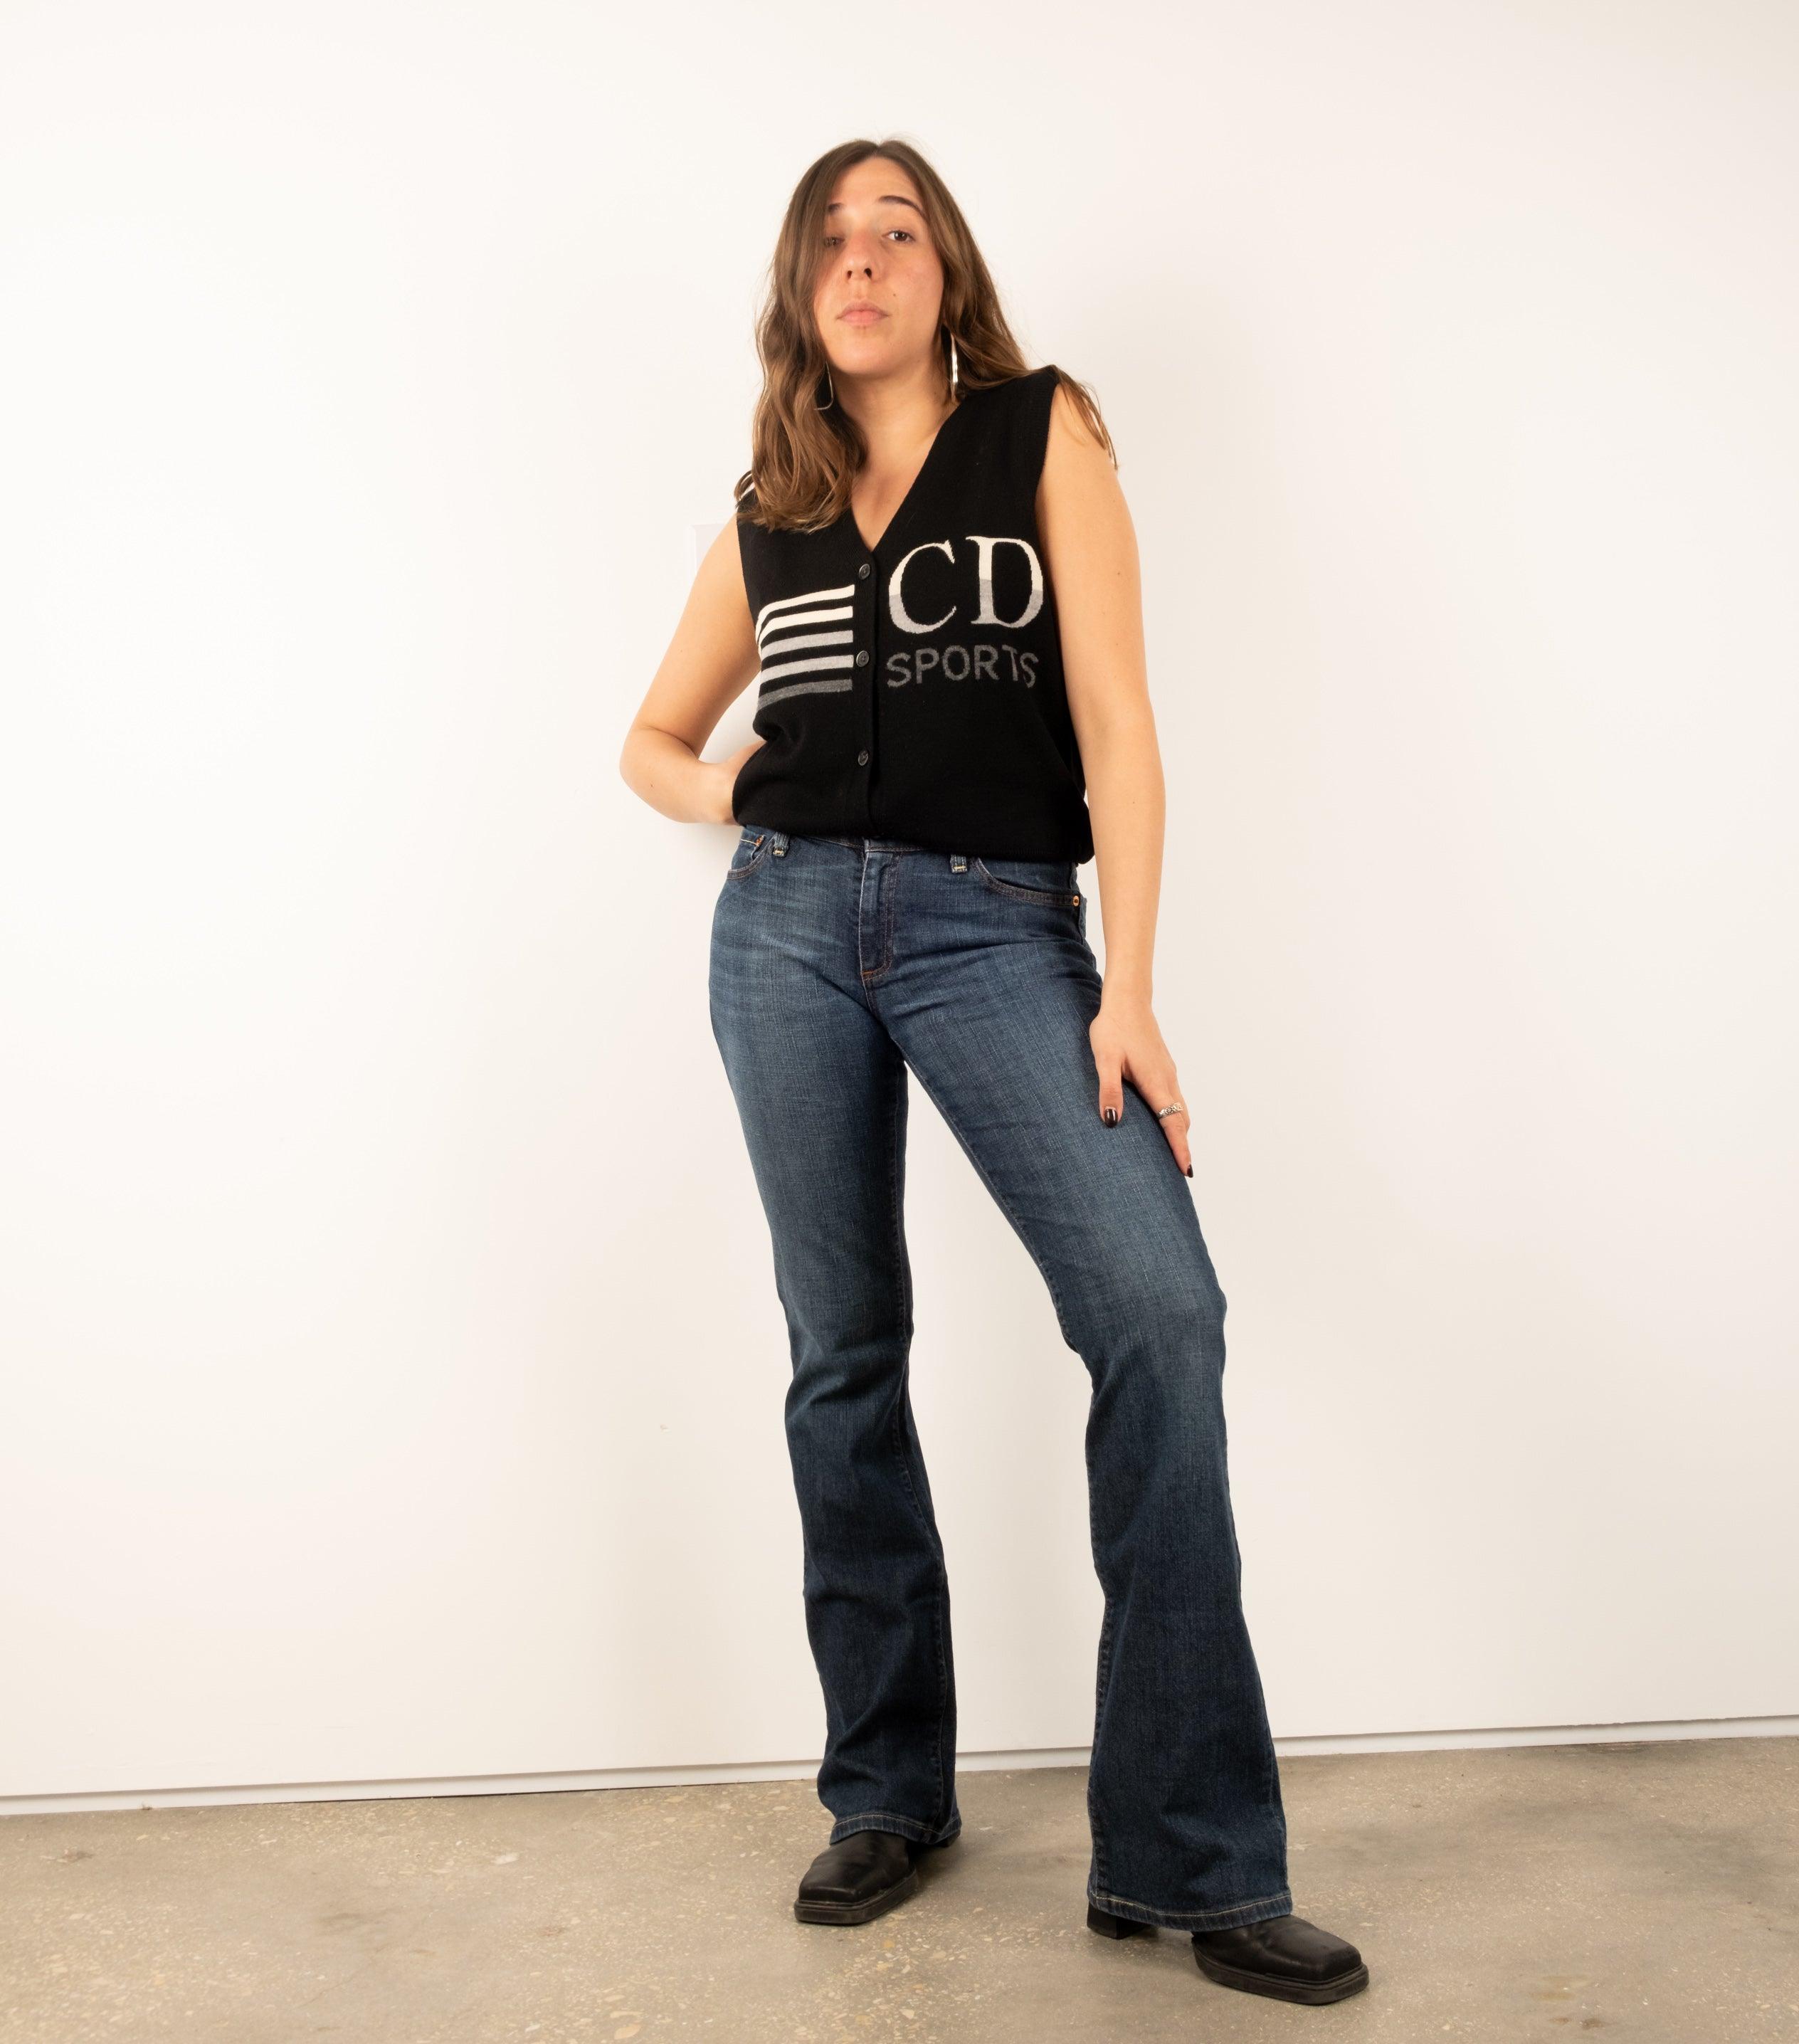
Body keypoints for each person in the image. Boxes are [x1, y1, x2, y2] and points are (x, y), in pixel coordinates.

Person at [618, 137, 1369, 2009]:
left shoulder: (1043, 433)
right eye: (832, 240)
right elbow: (650, 736)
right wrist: (720, 791)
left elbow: (1118, 718)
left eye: (899, 233)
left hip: (997, 926)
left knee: (1159, 1316)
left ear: (946, 273)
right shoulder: (771, 508)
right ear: (799, 289)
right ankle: (887, 1791)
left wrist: (1133, 986)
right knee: (844, 1352)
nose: (864, 262)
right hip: (784, 935)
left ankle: (1186, 1857)